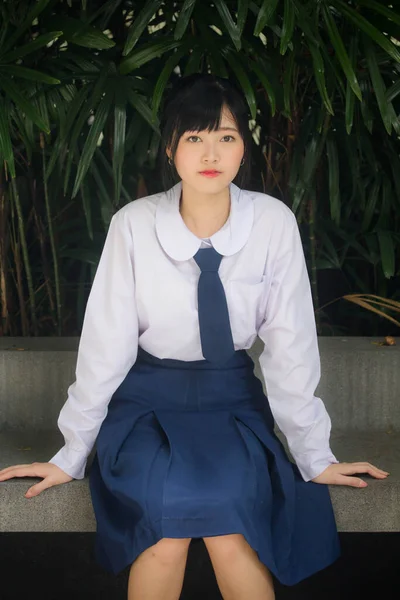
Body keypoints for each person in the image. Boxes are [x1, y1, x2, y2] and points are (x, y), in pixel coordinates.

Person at [0, 74, 389, 600]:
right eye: (194, 138)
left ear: (244, 146)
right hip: (145, 406)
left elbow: (289, 344)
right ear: (170, 148)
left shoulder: (273, 223)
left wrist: (314, 453)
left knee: (232, 532)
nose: (212, 153)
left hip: (232, 401)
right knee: (165, 534)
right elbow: (105, 347)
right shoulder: (133, 225)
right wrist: (72, 452)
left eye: (226, 137)